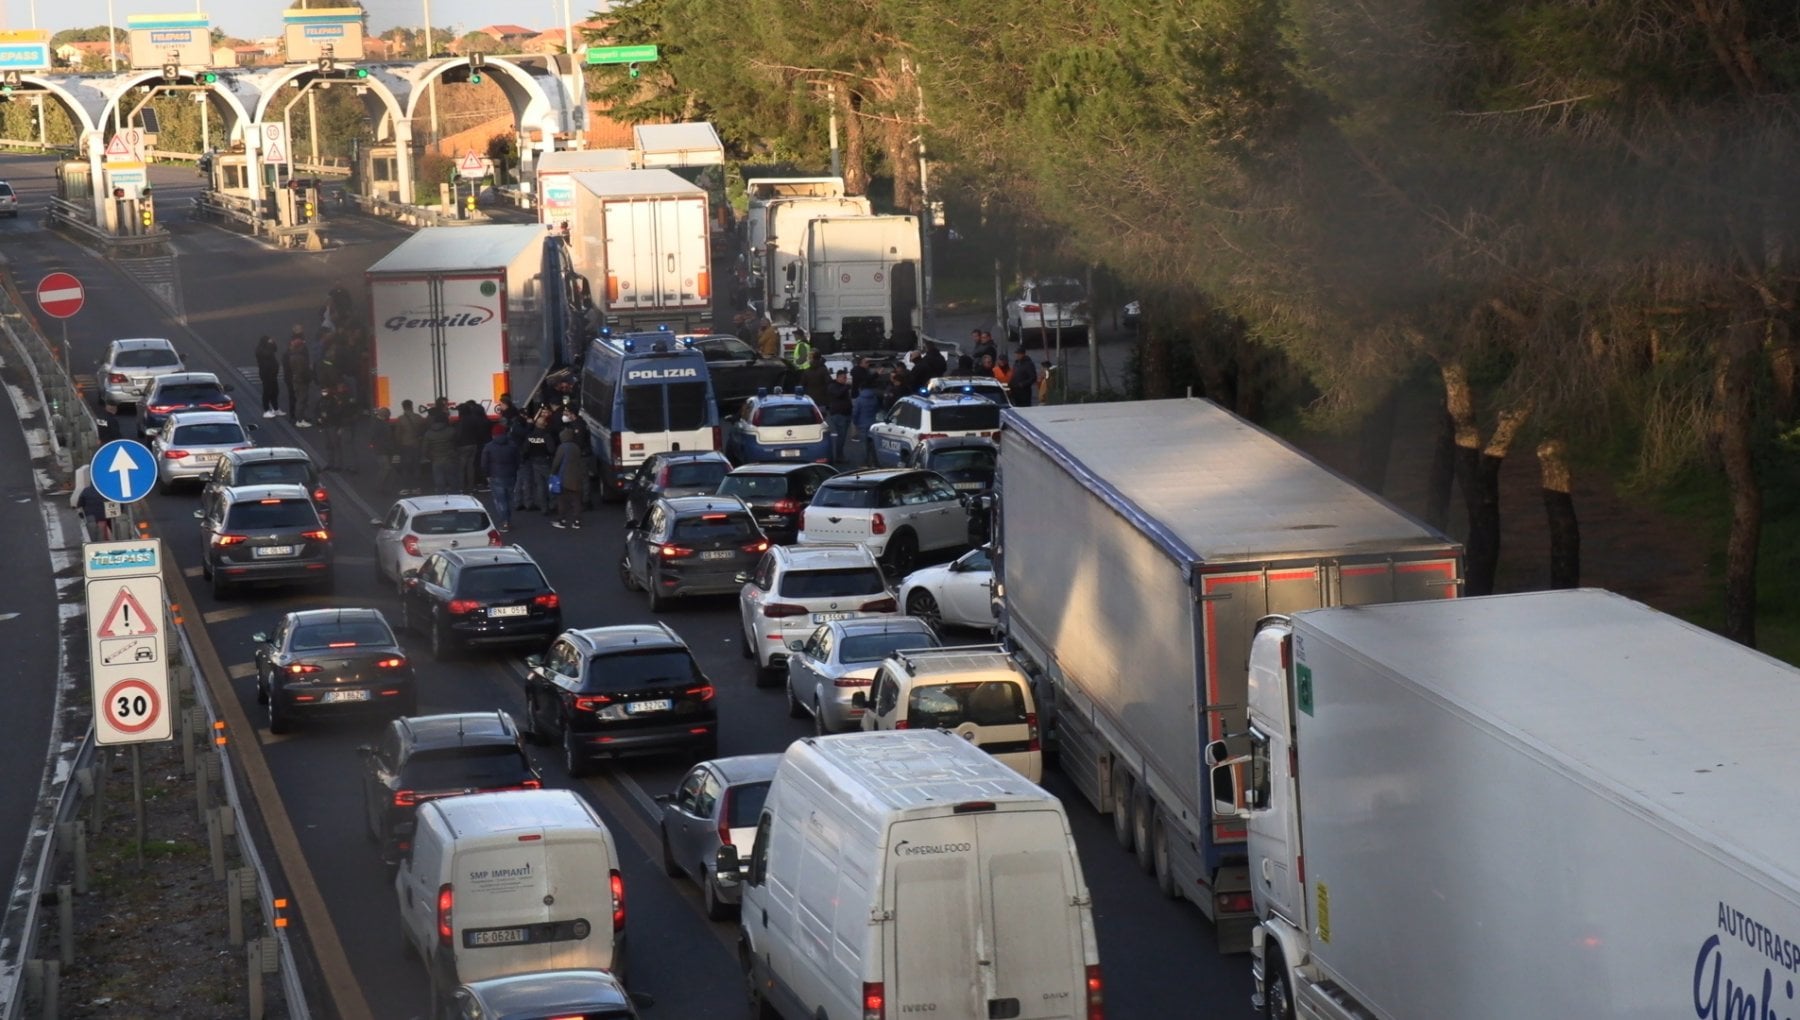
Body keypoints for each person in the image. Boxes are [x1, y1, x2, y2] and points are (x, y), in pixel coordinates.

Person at [480, 423, 522, 532]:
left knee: (500, 500)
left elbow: (484, 463)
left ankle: (505, 521)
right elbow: (518, 461)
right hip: (511, 475)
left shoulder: (488, 446)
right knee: (509, 498)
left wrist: (486, 475)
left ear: (493, 435)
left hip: (495, 476)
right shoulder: (513, 445)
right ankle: (508, 519)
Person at [518, 408, 556, 512]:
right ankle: (552, 505)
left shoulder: (530, 436)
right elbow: (551, 449)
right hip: (546, 462)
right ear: (544, 425)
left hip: (534, 462)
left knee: (540, 486)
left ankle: (543, 507)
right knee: (551, 484)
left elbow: (525, 449)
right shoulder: (546, 436)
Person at [548, 428, 584, 529]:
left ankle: (562, 520)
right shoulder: (576, 447)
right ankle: (577, 521)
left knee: (562, 500)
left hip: (564, 477)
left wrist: (552, 473)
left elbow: (557, 462)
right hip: (576, 477)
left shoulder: (562, 447)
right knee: (576, 500)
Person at [420, 408, 459, 494]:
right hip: (450, 459)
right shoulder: (451, 431)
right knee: (453, 481)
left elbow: (425, 449)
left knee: (439, 482)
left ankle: (441, 500)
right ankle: (456, 499)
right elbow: (456, 444)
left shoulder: (429, 433)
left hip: (436, 459)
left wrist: (430, 457)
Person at [455, 398, 491, 493]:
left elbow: (458, 434)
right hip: (473, 444)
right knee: (471, 466)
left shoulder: (461, 421)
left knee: (462, 467)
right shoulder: (474, 419)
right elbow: (478, 432)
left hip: (463, 445)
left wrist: (456, 443)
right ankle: (471, 486)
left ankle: (461, 486)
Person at [392, 399, 426, 494]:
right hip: (416, 444)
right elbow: (423, 430)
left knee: (405, 467)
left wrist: (397, 446)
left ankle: (406, 488)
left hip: (405, 445)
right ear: (412, 406)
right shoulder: (418, 417)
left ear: (403, 407)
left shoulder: (400, 419)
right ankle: (416, 488)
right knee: (416, 466)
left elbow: (397, 434)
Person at [284, 334, 314, 424]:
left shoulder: (292, 356)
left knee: (301, 400)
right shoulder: (299, 358)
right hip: (301, 381)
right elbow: (302, 371)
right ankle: (300, 420)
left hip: (297, 380)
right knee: (302, 400)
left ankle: (302, 417)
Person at [825, 368, 854, 463]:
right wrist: (846, 387)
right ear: (837, 377)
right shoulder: (832, 386)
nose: (844, 380)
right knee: (841, 436)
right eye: (842, 378)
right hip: (838, 414)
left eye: (845, 378)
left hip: (846, 413)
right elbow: (838, 394)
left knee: (843, 435)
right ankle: (839, 456)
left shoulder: (843, 387)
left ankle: (840, 454)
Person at [254, 335, 282, 417]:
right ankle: (266, 410)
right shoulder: (259, 350)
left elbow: (275, 349)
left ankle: (275, 408)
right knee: (267, 392)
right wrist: (270, 345)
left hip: (273, 373)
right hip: (266, 374)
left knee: (275, 391)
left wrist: (273, 343)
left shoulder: (268, 347)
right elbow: (268, 354)